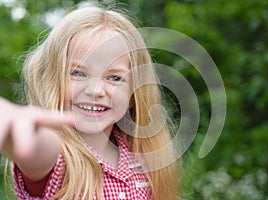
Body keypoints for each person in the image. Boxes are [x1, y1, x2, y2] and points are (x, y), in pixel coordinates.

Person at [0, 5, 178, 200]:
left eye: (115, 78)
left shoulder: (142, 158)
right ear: (50, 81)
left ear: (133, 93)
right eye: (78, 73)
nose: (95, 91)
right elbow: (35, 149)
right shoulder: (60, 160)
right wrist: (13, 125)